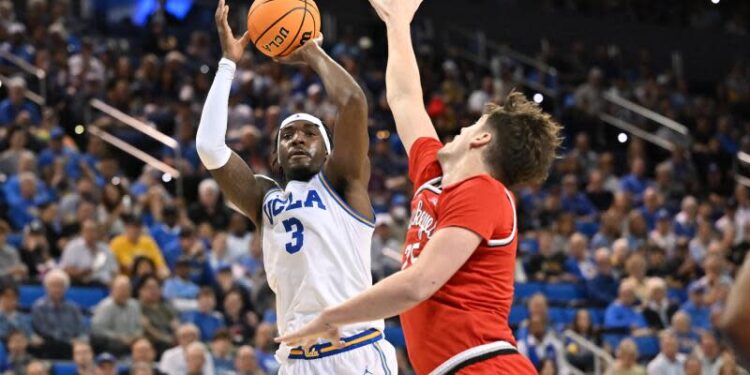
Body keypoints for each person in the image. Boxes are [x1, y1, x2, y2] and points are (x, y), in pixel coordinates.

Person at [277, 1, 561, 375]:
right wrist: (398, 22)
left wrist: (334, 317)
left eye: (472, 125)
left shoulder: (485, 193)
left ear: (482, 139)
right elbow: (405, 99)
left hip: (485, 365)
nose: (461, 129)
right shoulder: (435, 175)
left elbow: (416, 284)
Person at [195, 1, 397, 373]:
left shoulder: (345, 183)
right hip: (296, 360)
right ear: (275, 159)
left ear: (329, 152)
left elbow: (353, 102)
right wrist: (228, 64)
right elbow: (209, 147)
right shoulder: (264, 199)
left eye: (310, 134)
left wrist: (311, 52)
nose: (298, 140)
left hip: (355, 350)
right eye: (287, 136)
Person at [30, 269, 87, 359]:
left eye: (60, 286)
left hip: (71, 347)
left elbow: (81, 330)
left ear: (65, 288)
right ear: (47, 288)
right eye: (53, 286)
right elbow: (43, 330)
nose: (57, 289)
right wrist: (67, 340)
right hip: (49, 346)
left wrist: (79, 341)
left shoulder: (73, 308)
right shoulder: (39, 307)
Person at [91, 275, 143, 356]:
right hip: (112, 341)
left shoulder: (135, 305)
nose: (124, 293)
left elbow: (139, 327)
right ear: (112, 291)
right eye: (121, 290)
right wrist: (119, 337)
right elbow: (98, 330)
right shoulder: (105, 306)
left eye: (127, 290)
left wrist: (134, 337)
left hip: (132, 340)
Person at [59, 219, 118, 286]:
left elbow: (114, 271)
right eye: (87, 231)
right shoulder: (73, 247)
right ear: (81, 232)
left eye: (93, 231)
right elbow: (65, 269)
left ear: (98, 233)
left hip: (104, 284)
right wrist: (81, 272)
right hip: (80, 283)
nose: (90, 234)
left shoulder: (105, 249)